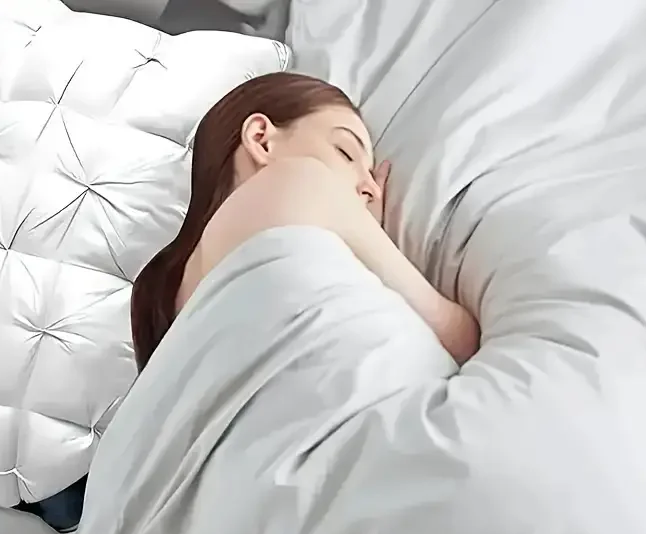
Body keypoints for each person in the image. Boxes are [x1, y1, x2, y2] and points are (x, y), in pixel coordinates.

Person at [131, 72, 479, 371]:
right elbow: (458, 339)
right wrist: (372, 238)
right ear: (262, 139)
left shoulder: (177, 305)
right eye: (346, 152)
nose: (372, 188)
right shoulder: (296, 180)